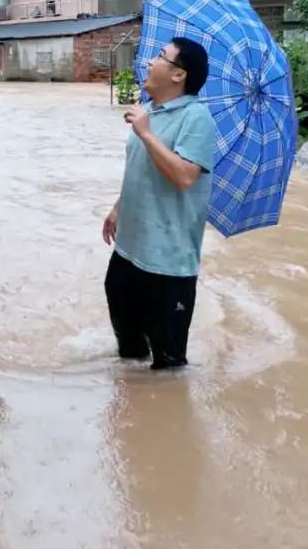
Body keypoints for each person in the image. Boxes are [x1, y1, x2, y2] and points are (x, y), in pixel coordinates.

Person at [101, 37, 216, 370]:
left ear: (179, 74)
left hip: (168, 265)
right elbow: (141, 170)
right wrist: (118, 207)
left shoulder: (196, 118)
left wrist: (147, 134)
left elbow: (184, 177)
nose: (150, 62)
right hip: (128, 253)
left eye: (161, 57)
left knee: (168, 368)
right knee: (130, 355)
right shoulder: (148, 111)